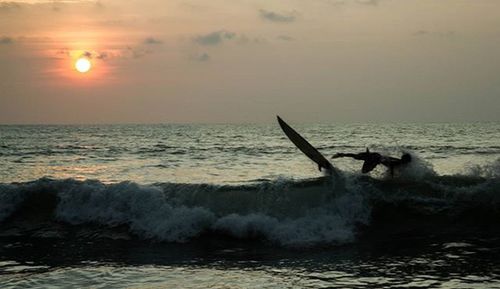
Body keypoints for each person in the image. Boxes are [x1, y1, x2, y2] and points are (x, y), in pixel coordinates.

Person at [332, 148, 412, 177]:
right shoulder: (399, 162)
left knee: (357, 157)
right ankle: (341, 154)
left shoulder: (399, 161)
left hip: (375, 156)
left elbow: (390, 161)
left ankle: (341, 154)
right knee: (363, 170)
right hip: (375, 158)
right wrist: (391, 176)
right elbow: (391, 164)